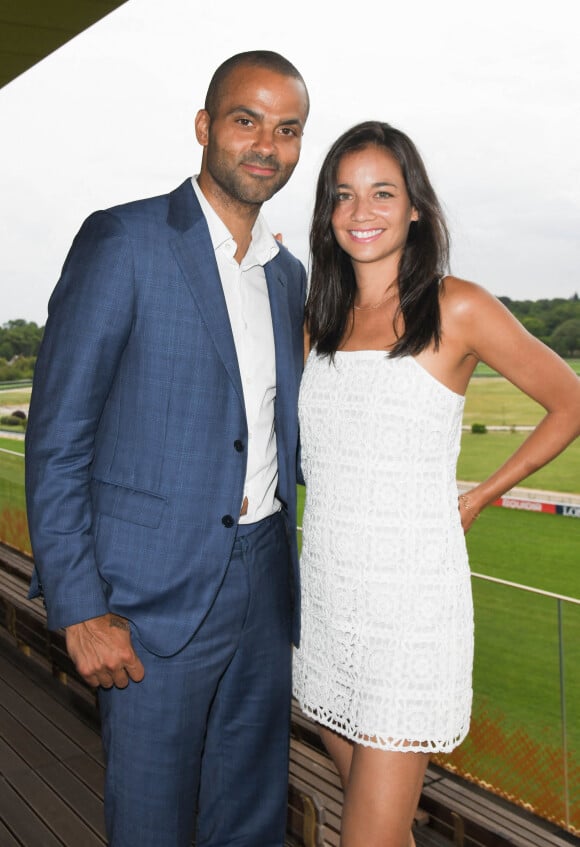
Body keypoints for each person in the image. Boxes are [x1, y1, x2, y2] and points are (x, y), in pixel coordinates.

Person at [25, 51, 309, 847]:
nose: (266, 144)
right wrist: (79, 607)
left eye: (287, 130)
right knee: (150, 824)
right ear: (204, 126)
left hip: (263, 585)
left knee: (250, 822)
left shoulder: (286, 275)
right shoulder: (124, 240)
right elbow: (57, 441)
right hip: (149, 603)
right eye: (246, 120)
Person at [292, 120, 580, 847]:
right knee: (382, 828)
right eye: (344, 195)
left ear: (415, 206)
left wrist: (483, 491)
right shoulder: (315, 320)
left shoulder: (458, 306)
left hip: (410, 611)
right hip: (327, 598)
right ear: (327, 214)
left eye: (382, 192)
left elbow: (570, 400)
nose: (362, 212)